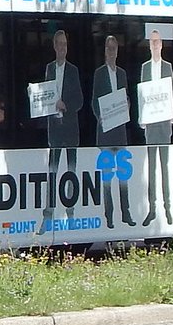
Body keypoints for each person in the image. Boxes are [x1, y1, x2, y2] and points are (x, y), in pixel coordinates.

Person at [40, 29, 83, 233]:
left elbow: (80, 100)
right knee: (52, 172)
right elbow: (44, 96)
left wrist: (65, 105)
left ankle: (71, 213)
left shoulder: (74, 70)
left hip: (71, 129)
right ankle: (48, 215)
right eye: (59, 44)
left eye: (65, 44)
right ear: (54, 46)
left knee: (71, 172)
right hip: (54, 130)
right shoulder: (48, 68)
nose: (62, 48)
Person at [92, 34, 134, 228]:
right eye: (108, 49)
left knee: (123, 177)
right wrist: (99, 116)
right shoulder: (99, 74)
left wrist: (127, 104)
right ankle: (109, 216)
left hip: (120, 132)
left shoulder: (122, 74)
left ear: (117, 52)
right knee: (107, 178)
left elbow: (127, 99)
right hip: (105, 133)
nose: (111, 52)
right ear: (104, 52)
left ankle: (125, 214)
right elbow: (94, 101)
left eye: (114, 49)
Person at [138, 29, 173, 226]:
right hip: (150, 126)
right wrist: (141, 118)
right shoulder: (144, 68)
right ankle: (152, 209)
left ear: (161, 45)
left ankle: (168, 208)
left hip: (164, 125)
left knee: (165, 167)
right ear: (149, 45)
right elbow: (142, 96)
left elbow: (172, 93)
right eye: (151, 42)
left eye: (157, 42)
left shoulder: (168, 67)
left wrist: (172, 113)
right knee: (152, 168)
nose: (154, 45)